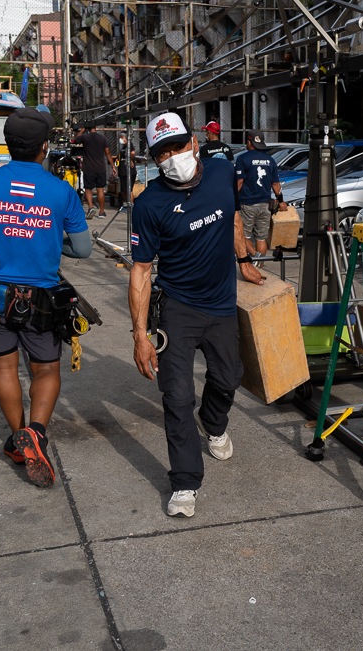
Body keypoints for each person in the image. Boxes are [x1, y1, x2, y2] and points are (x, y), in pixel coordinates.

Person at [0, 107, 91, 488]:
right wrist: (49, 241)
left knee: (4, 369)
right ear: (45, 147)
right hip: (41, 298)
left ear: (8, 144)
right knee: (46, 370)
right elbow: (83, 249)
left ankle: (18, 436)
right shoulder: (61, 191)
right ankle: (35, 433)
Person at [127, 112, 265, 518]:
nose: (173, 157)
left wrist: (243, 260)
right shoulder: (149, 203)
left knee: (229, 377)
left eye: (178, 146)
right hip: (177, 308)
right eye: (162, 152)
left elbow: (233, 217)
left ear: (195, 143)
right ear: (154, 159)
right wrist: (139, 335)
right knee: (177, 396)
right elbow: (141, 271)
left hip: (221, 303)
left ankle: (214, 421)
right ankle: (185, 482)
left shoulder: (222, 174)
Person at [233, 130, 287, 260]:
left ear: (249, 142)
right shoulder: (270, 160)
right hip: (265, 204)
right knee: (261, 238)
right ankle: (260, 265)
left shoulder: (242, 159)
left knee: (242, 235)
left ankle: (254, 255)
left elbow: (239, 182)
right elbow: (275, 184)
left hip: (247, 204)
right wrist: (281, 201)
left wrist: (232, 199)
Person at [75, 125, 116, 219]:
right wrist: (113, 166)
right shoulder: (103, 138)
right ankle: (101, 212)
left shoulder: (85, 137)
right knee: (100, 189)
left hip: (88, 168)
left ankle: (91, 208)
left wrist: (82, 130)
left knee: (88, 189)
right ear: (96, 126)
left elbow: (75, 140)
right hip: (100, 168)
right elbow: (108, 153)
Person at [114, 133, 138, 211]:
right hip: (123, 172)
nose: (120, 139)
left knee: (128, 190)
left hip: (129, 172)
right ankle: (127, 204)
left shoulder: (129, 145)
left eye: (121, 137)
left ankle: (131, 206)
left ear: (125, 138)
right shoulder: (123, 147)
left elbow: (133, 153)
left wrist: (130, 159)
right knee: (123, 190)